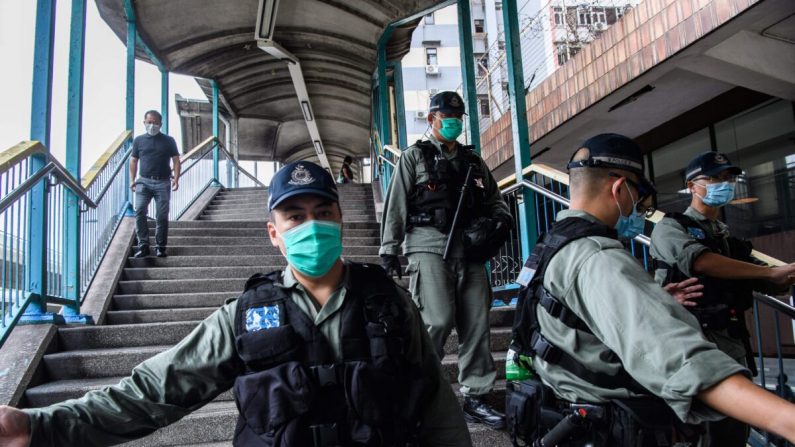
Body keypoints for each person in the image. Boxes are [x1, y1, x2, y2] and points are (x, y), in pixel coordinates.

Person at [0, 161, 472, 447]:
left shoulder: (390, 301)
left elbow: (436, 403)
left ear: (341, 219)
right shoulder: (242, 317)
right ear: (274, 233)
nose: (312, 226)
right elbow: (151, 393)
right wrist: (39, 427)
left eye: (323, 213)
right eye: (295, 216)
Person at [506, 133, 795, 446]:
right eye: (639, 197)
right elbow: (683, 362)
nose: (640, 210)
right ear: (619, 188)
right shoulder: (597, 257)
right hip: (604, 425)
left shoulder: (552, 244)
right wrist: (786, 420)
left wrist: (648, 300)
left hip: (567, 414)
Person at [380, 91, 512, 429]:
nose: (453, 122)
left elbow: (497, 201)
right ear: (432, 119)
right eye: (445, 117)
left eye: (457, 117)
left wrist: (495, 225)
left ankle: (477, 397)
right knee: (436, 321)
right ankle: (422, 392)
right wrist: (389, 250)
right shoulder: (414, 157)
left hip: (470, 252)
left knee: (477, 325)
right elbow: (396, 205)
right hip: (428, 247)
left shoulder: (473, 162)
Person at [650, 151, 795, 446]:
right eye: (714, 178)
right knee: (701, 436)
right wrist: (769, 275)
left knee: (732, 434)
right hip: (693, 351)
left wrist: (781, 276)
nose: (723, 184)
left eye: (728, 178)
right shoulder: (671, 227)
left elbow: (761, 277)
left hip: (732, 349)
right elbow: (701, 262)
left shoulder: (726, 237)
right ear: (692, 186)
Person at [129, 110, 181, 258]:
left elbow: (176, 160)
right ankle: (143, 245)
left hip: (163, 182)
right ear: (144, 122)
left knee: (162, 215)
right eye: (149, 122)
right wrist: (132, 180)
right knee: (139, 211)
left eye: (155, 123)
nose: (152, 125)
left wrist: (176, 179)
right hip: (143, 181)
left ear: (160, 124)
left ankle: (160, 246)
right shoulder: (139, 140)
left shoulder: (169, 140)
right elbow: (133, 160)